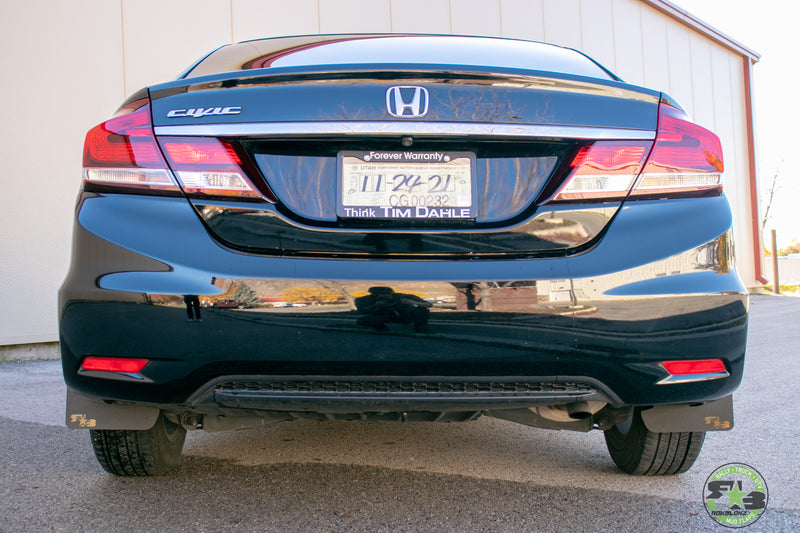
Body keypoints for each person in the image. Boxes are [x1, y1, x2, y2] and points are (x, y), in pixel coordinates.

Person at [355, 286, 432, 333]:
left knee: (422, 310)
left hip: (405, 315)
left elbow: (429, 304)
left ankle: (421, 327)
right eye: (377, 294)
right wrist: (375, 305)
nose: (382, 296)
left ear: (392, 293)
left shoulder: (403, 296)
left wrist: (413, 302)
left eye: (385, 293)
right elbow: (361, 310)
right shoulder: (367, 299)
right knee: (363, 320)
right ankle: (381, 329)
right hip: (385, 317)